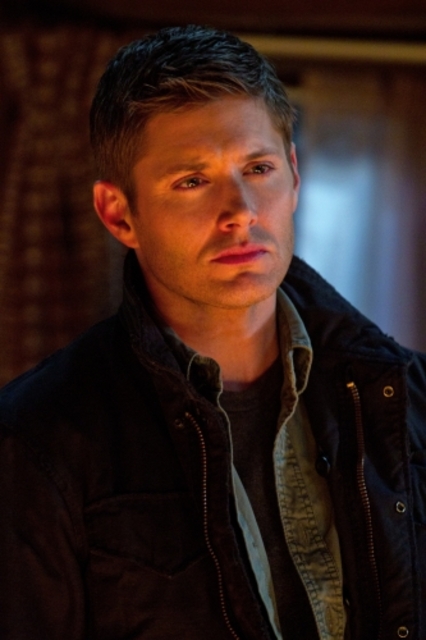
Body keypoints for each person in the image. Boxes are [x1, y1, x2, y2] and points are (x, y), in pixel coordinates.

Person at [0, 24, 425, 640]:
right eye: (192, 181)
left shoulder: (410, 396)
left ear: (295, 175)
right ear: (119, 214)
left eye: (258, 167)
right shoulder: (35, 438)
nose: (241, 212)